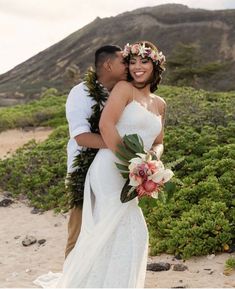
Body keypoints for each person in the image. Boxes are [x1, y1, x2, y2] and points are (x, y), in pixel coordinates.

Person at [34, 40, 166, 288]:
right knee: (85, 227)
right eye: (128, 61)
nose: (132, 66)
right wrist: (133, 159)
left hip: (128, 170)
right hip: (96, 167)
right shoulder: (89, 92)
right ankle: (76, 278)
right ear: (108, 65)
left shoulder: (155, 101)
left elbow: (158, 141)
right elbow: (85, 134)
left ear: (155, 66)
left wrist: (151, 162)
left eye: (141, 61)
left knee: (122, 230)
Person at [64, 45, 128, 259]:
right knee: (80, 228)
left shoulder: (124, 92)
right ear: (109, 65)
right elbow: (81, 136)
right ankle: (70, 279)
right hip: (83, 170)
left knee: (109, 229)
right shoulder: (80, 93)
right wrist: (123, 147)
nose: (129, 66)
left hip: (112, 169)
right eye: (123, 62)